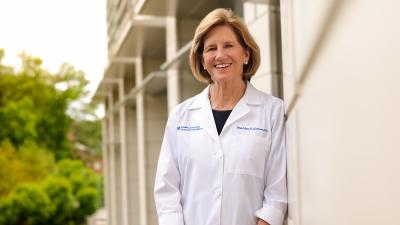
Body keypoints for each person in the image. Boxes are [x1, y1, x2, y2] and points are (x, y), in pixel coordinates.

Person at [154, 8, 287, 225]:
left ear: (245, 54)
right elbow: (167, 191)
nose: (220, 55)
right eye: (211, 48)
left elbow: (276, 193)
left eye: (228, 45)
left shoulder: (272, 111)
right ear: (202, 59)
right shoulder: (181, 116)